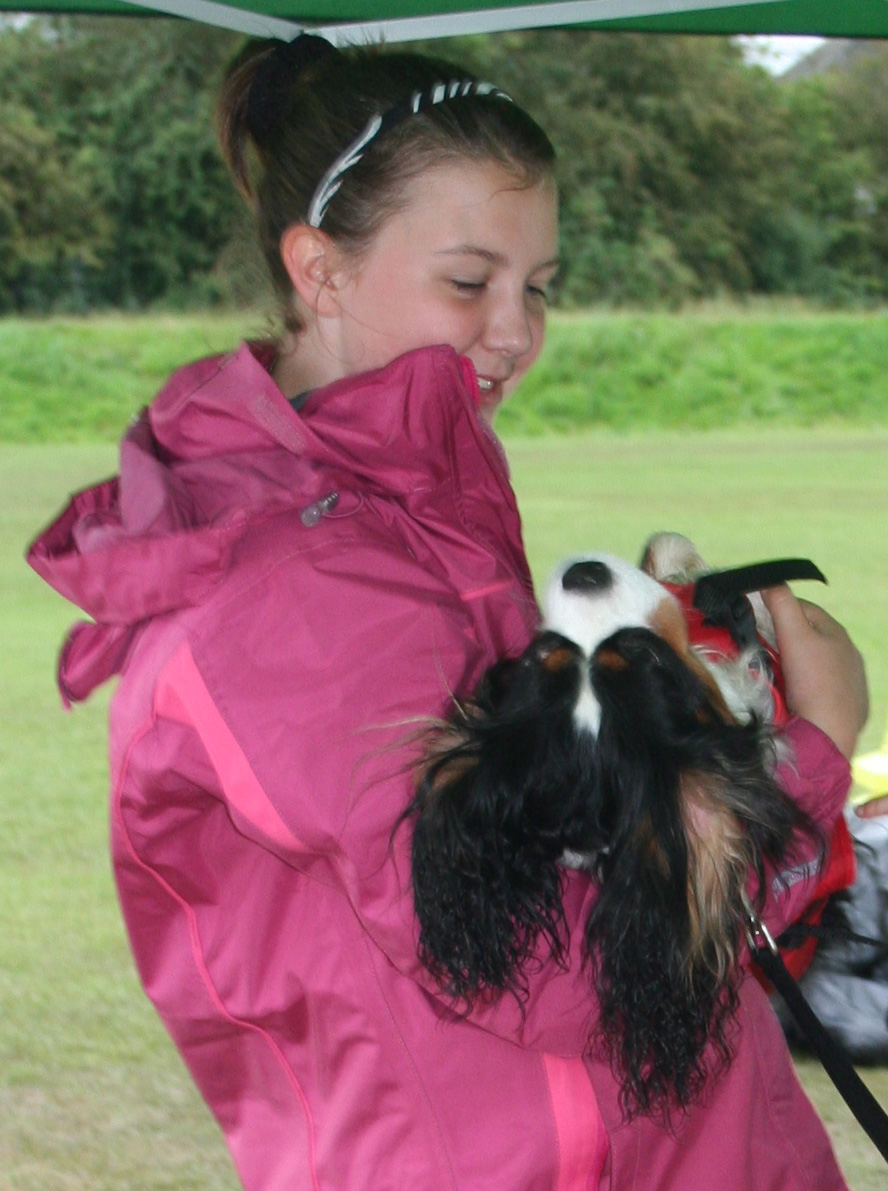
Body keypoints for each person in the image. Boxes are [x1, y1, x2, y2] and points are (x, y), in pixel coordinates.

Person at [28, 33, 868, 1191]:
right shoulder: (293, 589)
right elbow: (550, 967)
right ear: (318, 268)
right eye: (470, 282)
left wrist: (671, 703)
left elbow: (562, 833)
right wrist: (809, 758)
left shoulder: (411, 513)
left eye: (539, 288)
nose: (516, 331)